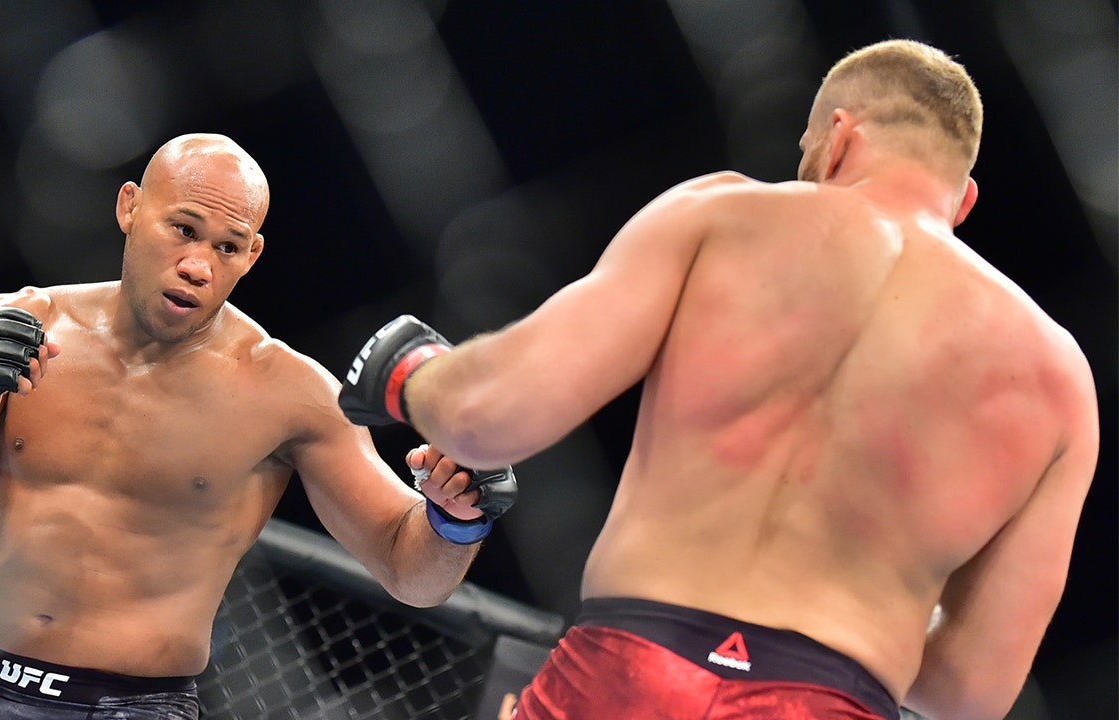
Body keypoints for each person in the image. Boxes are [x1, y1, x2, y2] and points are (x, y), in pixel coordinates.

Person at [337, 40, 1099, 720]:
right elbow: (971, 692)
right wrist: (870, 616)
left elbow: (491, 417)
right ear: (963, 199)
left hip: (629, 672)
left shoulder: (725, 214)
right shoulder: (1058, 376)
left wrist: (408, 371)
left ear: (838, 138)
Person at [0, 133, 516, 719]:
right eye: (183, 229)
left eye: (227, 246)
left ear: (252, 254)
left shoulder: (289, 393)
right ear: (129, 207)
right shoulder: (12, 326)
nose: (199, 266)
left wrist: (456, 518)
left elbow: (411, 572)